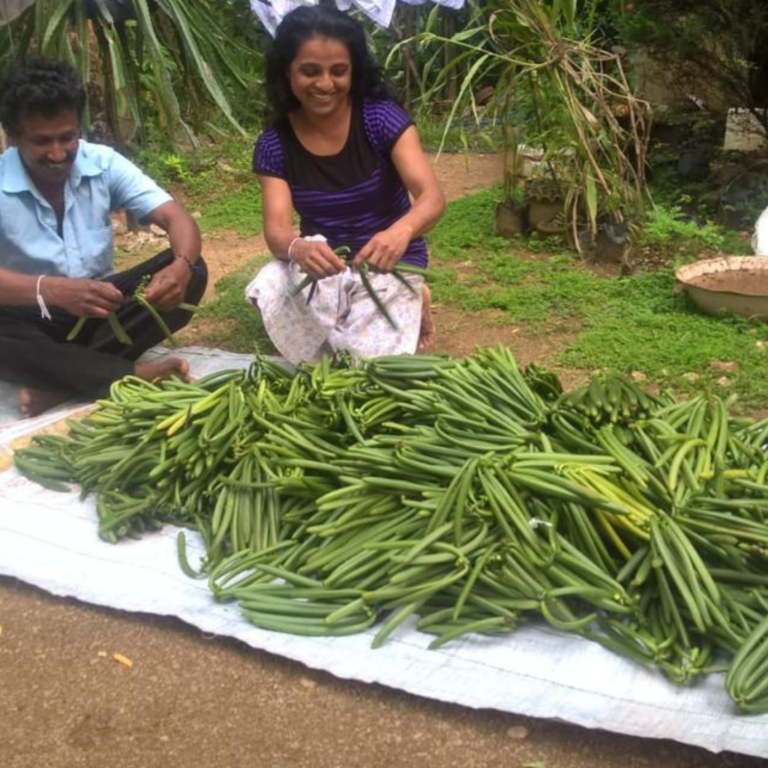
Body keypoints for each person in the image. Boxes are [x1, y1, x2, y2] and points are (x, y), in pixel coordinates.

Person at [0, 56, 207, 417]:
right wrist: (49, 289)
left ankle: (63, 379)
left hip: (102, 308)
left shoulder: (103, 163)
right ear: (13, 136)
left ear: (79, 127)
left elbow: (176, 218)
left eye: (68, 137)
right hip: (27, 317)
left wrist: (182, 266)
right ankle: (126, 374)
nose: (58, 153)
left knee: (193, 271)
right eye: (42, 141)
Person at [245, 5, 444, 364]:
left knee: (365, 363)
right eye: (309, 71)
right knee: (270, 289)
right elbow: (276, 231)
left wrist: (401, 232)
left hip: (389, 260)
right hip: (325, 265)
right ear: (286, 72)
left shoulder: (380, 119)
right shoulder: (275, 145)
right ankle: (382, 308)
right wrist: (298, 249)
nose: (325, 84)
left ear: (354, 71)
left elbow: (431, 198)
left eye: (339, 71)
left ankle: (414, 296)